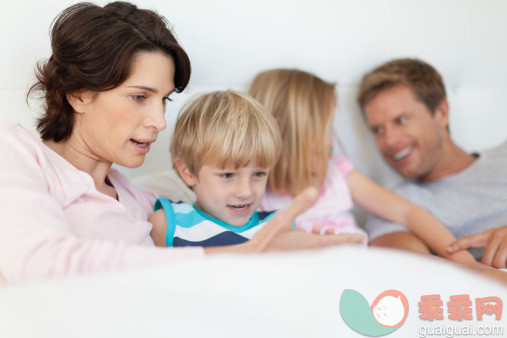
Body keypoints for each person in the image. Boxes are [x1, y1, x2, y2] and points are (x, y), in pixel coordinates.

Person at [0, 2, 364, 285]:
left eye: (164, 100)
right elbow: (38, 265)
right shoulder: (16, 153)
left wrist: (300, 247)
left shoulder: (142, 201)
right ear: (78, 94)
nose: (159, 122)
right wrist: (246, 254)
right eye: (140, 97)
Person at [248, 69, 478, 267]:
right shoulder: (254, 194)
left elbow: (408, 213)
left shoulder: (338, 173)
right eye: (320, 132)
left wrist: (466, 264)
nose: (329, 143)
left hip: (359, 281)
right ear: (279, 131)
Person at [357, 58, 507, 268]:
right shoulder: (394, 205)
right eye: (378, 130)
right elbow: (410, 274)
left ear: (442, 113)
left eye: (401, 120)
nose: (389, 141)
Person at [150, 90, 288, 247]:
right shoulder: (169, 224)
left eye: (258, 173)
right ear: (188, 171)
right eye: (228, 175)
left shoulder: (281, 226)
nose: (246, 192)